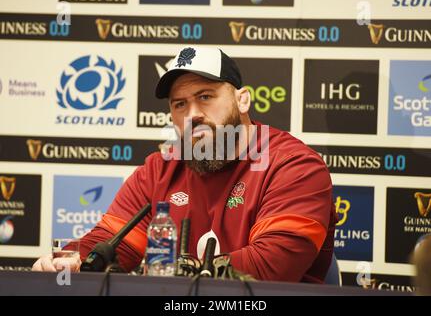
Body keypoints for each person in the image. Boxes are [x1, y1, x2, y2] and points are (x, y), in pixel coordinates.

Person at [33, 46, 336, 283]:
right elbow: (116, 245)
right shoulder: (158, 170)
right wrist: (77, 259)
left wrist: (179, 273)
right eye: (180, 104)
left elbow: (271, 268)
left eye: (206, 97)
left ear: (242, 101)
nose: (193, 114)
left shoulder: (294, 166)